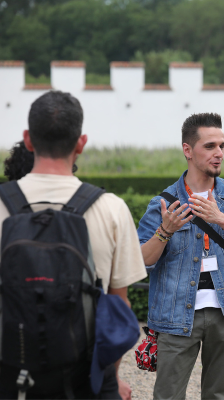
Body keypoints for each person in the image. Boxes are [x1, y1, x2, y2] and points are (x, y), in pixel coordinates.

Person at [0, 91, 147, 399]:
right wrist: (112, 377)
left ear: (28, 140)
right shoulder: (112, 209)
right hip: (85, 379)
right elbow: (119, 307)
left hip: (10, 374)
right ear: (81, 143)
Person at [137, 112, 224, 400]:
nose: (219, 153)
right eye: (210, 146)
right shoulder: (163, 203)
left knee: (219, 395)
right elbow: (142, 260)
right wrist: (164, 232)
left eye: (222, 146)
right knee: (168, 396)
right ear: (187, 150)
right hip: (174, 314)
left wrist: (223, 220)